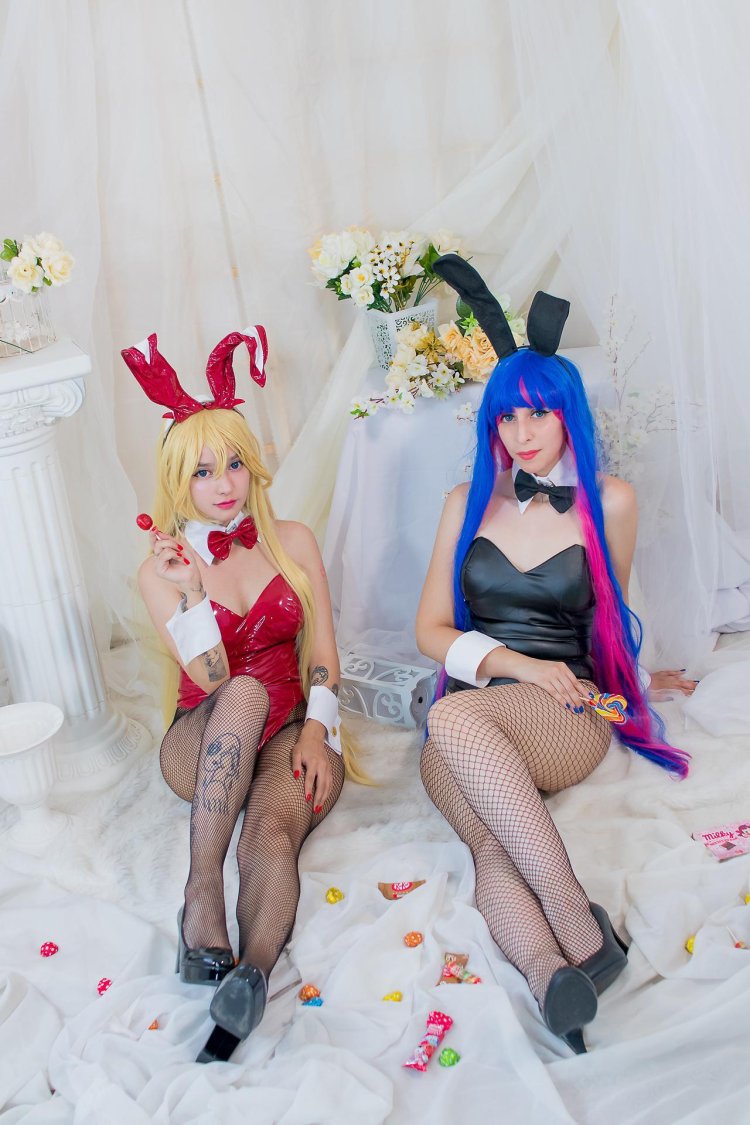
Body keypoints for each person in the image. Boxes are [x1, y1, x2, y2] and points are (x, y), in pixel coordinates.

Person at [415, 256, 694, 1054]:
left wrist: (629, 683)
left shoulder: (610, 501)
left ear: (569, 412)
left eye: (537, 413)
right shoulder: (465, 504)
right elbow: (430, 630)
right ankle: (554, 980)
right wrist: (516, 665)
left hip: (566, 711)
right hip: (482, 707)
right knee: (486, 839)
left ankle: (573, 913)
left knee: (450, 721)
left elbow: (609, 613)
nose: (522, 433)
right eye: (507, 418)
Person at [122, 329, 364, 1063]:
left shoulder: (293, 539)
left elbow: (322, 653)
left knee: (270, 837)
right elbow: (210, 679)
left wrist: (319, 730)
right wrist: (192, 590)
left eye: (233, 463)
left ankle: (250, 977)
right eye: (202, 472)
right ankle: (202, 894)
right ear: (178, 482)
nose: (224, 483)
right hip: (205, 739)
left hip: (291, 731)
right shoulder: (161, 571)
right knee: (247, 689)